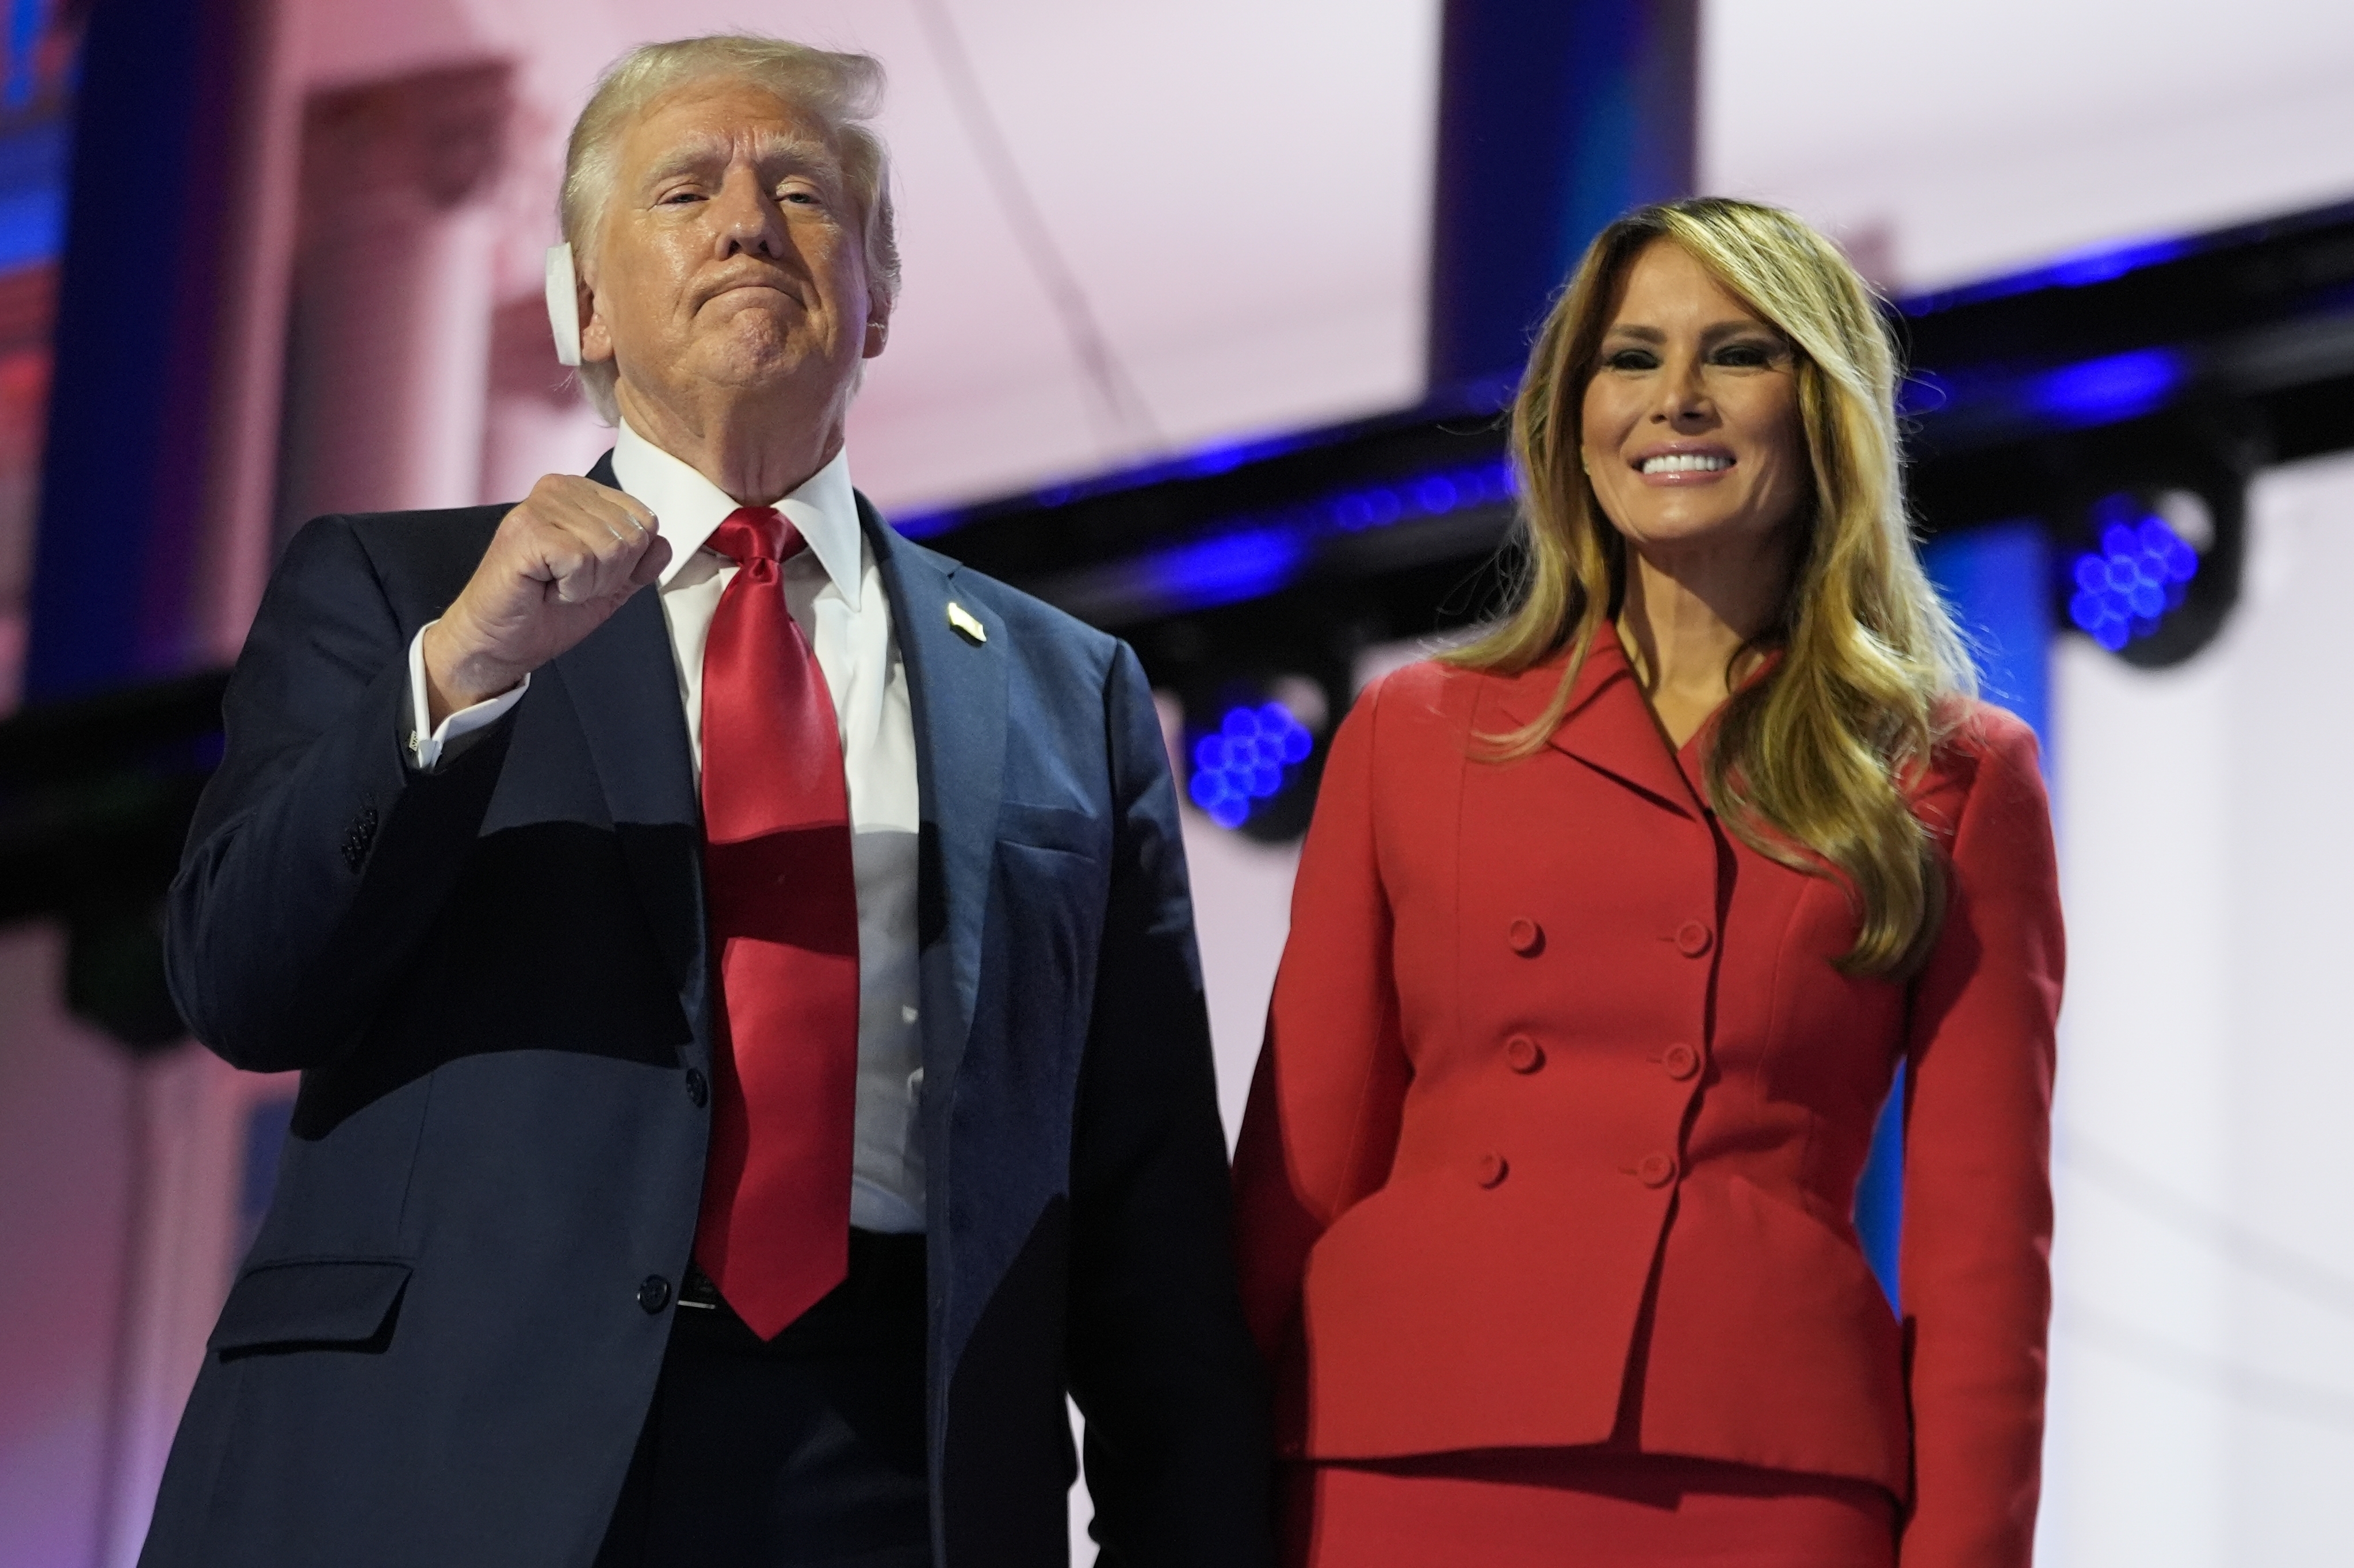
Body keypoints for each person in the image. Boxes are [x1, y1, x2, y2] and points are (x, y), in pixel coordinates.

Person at [143, 35, 1270, 1568]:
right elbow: (245, 983)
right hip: (441, 1450)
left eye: (801, 190)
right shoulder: (399, 588)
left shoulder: (1062, 688)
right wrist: (463, 667)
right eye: (686, 190)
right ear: (587, 306)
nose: (749, 222)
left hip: (887, 1471)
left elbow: (1148, 1214)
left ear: (877, 293)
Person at [1231, 197, 2061, 1568]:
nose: (1675, 397)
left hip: (1757, 1460)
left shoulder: (1953, 773)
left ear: (1823, 408)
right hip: (1394, 1444)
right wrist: (1187, 1502)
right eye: (1629, 358)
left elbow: (1987, 1259)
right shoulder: (1415, 730)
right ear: (1570, 417)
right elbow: (1297, 1177)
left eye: (1737, 352)